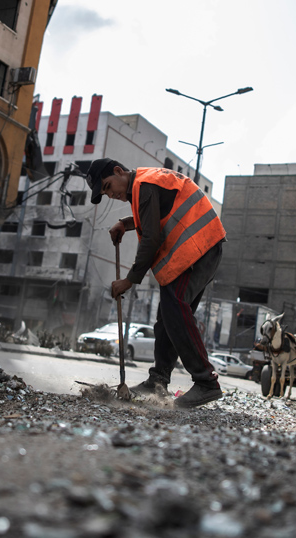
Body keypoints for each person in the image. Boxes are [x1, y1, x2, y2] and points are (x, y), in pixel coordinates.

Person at [86, 159, 226, 408]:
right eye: (105, 193)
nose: (111, 194)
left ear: (119, 171)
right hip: (198, 248)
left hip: (198, 248)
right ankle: (158, 381)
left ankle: (206, 382)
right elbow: (152, 216)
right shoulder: (144, 184)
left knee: (175, 308)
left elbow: (151, 238)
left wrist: (129, 280)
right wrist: (126, 224)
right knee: (168, 316)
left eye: (108, 186)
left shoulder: (144, 185)